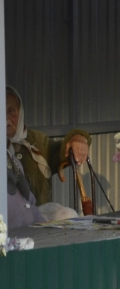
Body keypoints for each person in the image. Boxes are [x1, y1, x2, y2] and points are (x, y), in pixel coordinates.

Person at [5, 86, 91, 227]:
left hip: (38, 213)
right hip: (10, 218)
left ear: (21, 113)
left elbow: (62, 151)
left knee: (68, 215)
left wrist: (79, 139)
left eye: (11, 111)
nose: (6, 118)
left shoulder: (37, 140)